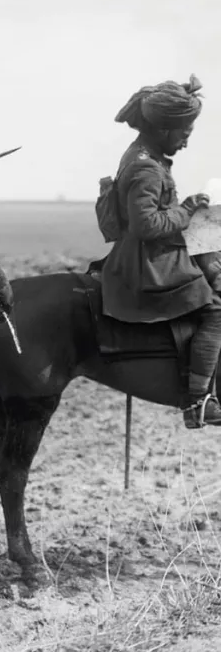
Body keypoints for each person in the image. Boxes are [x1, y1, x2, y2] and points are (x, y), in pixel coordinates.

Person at [100, 74, 221, 429]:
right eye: (184, 133)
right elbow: (147, 226)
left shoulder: (144, 155)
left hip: (154, 254)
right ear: (165, 129)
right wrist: (186, 209)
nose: (185, 142)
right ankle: (198, 399)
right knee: (217, 310)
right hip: (147, 265)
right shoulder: (146, 167)